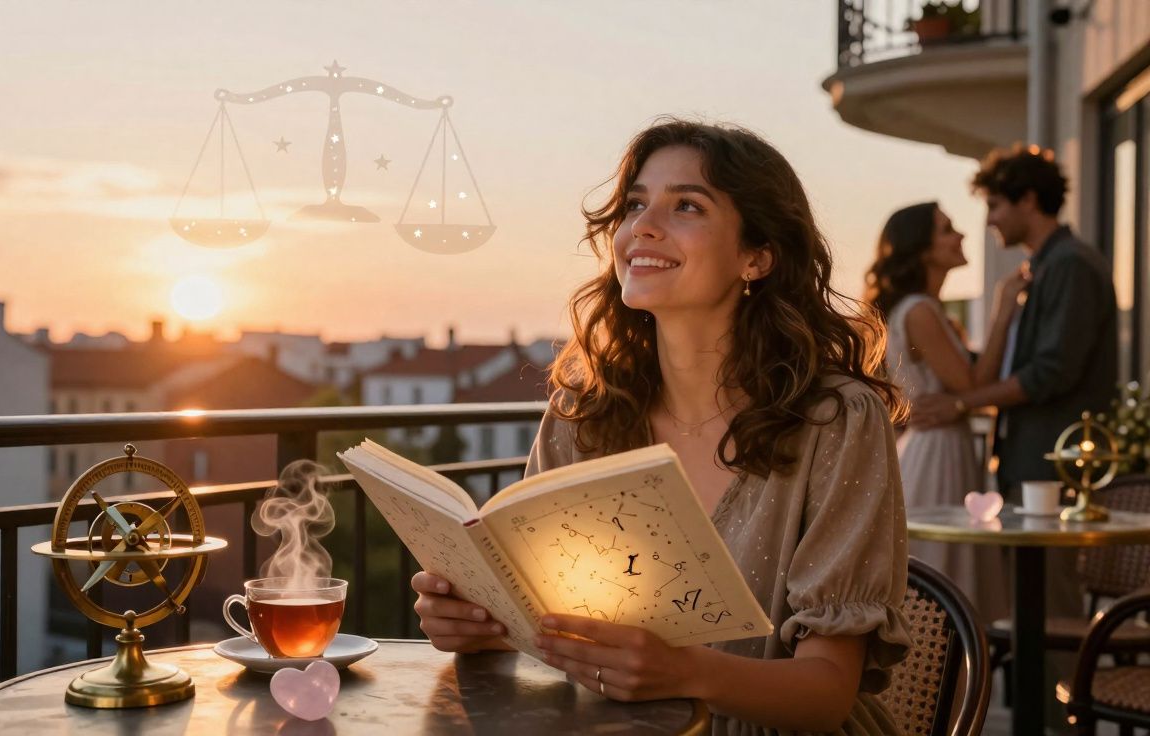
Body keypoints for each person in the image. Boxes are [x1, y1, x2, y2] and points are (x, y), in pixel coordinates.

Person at [411, 119, 912, 735]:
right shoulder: (583, 416)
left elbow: (826, 694)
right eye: (635, 205)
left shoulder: (836, 420)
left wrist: (683, 672)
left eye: (687, 206)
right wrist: (482, 626)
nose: (643, 226)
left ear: (756, 256)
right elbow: (557, 628)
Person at [910, 145, 1117, 499]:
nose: (989, 221)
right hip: (1035, 463)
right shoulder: (1043, 268)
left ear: (1028, 200)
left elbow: (1050, 372)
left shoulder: (1070, 265)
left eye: (994, 206)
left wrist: (960, 404)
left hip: (1056, 465)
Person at [864, 201, 1017, 623]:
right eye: (947, 229)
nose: (961, 235)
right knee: (943, 570)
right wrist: (1003, 309)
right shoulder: (920, 310)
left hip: (938, 446)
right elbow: (972, 385)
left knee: (946, 565)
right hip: (938, 454)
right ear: (922, 248)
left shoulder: (920, 308)